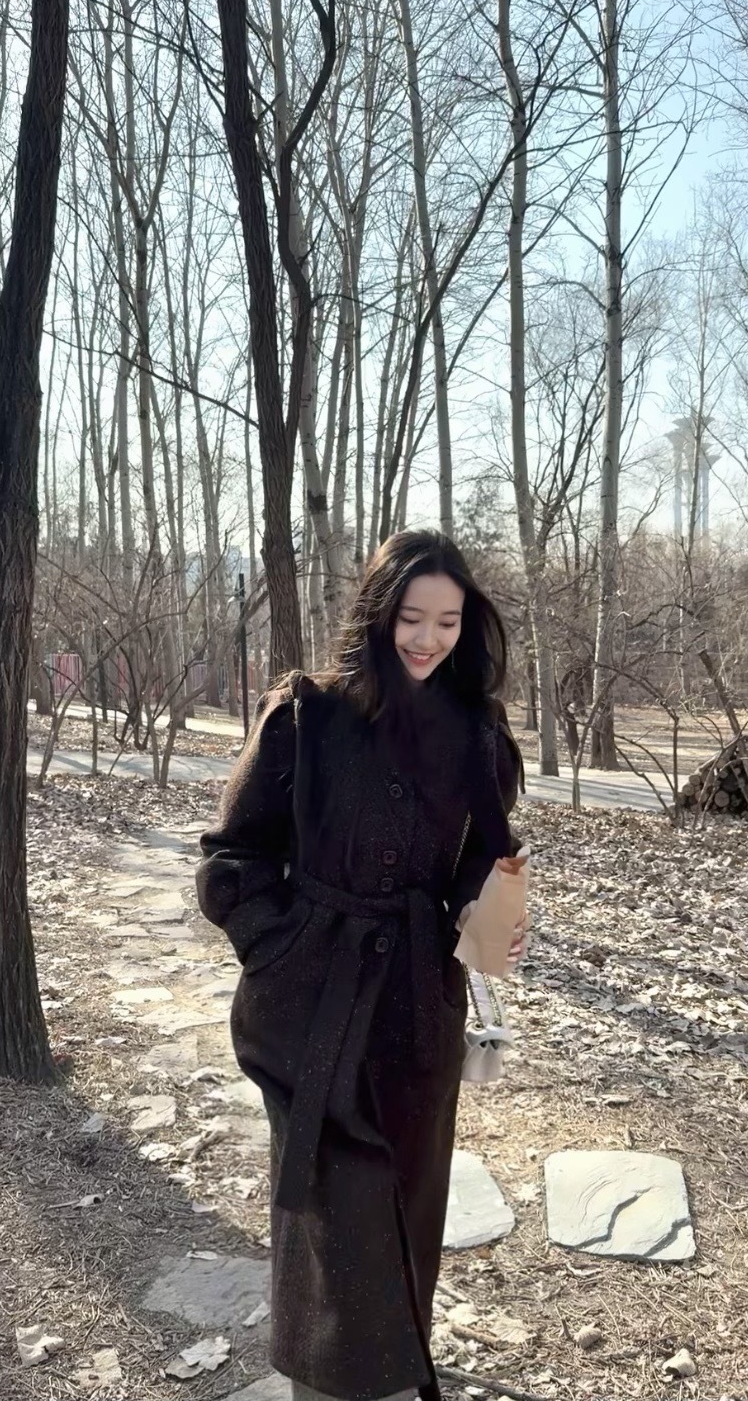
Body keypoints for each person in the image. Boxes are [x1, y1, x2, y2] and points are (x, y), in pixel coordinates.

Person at [196, 530, 524, 1401]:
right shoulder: (307, 718)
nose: (429, 638)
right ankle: (325, 1383)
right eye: (413, 617)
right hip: (307, 1007)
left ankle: (392, 1377)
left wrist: (485, 915)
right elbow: (233, 858)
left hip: (416, 1009)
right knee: (330, 1221)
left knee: (405, 1210)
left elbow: (482, 862)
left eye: (448, 622)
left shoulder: (475, 732)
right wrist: (277, 949)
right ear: (378, 613)